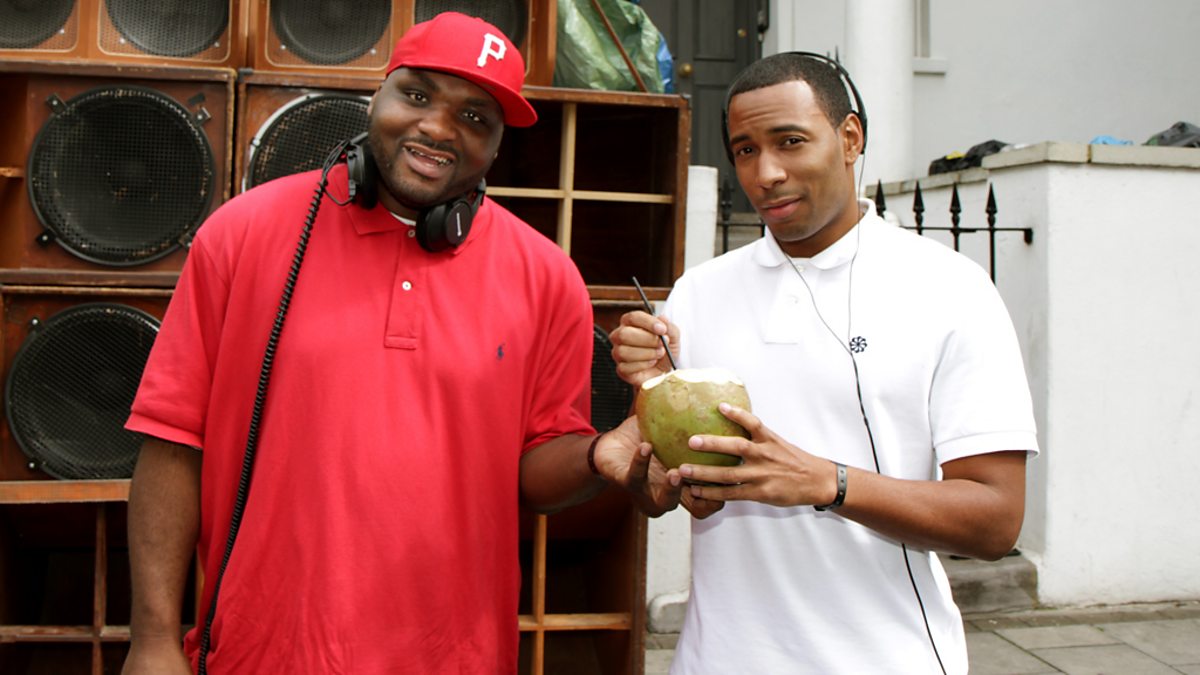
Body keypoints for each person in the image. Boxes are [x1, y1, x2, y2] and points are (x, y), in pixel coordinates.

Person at [121, 13, 671, 675]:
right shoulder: (242, 233)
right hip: (264, 651)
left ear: (498, 146)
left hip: (455, 659)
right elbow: (172, 439)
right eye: (416, 95)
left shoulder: (548, 277)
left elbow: (535, 473)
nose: (437, 128)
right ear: (375, 96)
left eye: (474, 117)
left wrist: (594, 455)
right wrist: (152, 639)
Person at [609, 52, 1039, 674]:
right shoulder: (697, 293)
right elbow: (657, 493)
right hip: (716, 659)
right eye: (745, 150)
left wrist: (827, 483)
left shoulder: (950, 289)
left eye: (790, 141)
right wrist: (656, 456)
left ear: (850, 138)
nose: (766, 173)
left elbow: (995, 521)